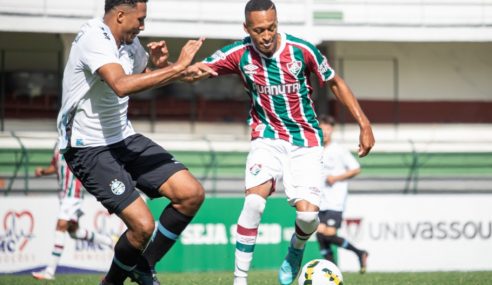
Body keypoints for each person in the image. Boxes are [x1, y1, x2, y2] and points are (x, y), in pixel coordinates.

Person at [184, 1, 375, 284]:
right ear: (246, 28)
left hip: (306, 141)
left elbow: (335, 82)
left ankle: (296, 249)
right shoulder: (238, 54)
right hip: (267, 136)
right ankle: (239, 279)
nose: (266, 35)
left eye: (272, 27)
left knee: (309, 219)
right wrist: (172, 66)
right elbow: (195, 74)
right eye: (259, 30)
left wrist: (364, 123)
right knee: (253, 204)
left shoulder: (302, 50)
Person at [56, 1, 216, 284]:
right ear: (120, 15)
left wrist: (171, 68)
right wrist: (178, 67)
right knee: (142, 226)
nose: (143, 26)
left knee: (190, 194)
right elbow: (121, 85)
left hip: (123, 137)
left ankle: (144, 266)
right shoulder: (94, 37)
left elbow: (144, 78)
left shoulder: (129, 42)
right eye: (140, 20)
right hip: (88, 146)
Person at [31, 145, 114, 281]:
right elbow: (55, 165)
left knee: (61, 226)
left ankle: (50, 271)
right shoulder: (58, 144)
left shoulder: (75, 141)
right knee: (75, 232)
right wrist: (43, 171)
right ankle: (108, 241)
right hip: (64, 196)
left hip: (73, 195)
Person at [315, 115, 368, 274]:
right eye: (321, 129)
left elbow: (356, 168)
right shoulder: (315, 149)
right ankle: (332, 270)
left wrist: (336, 178)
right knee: (320, 234)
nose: (324, 132)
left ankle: (359, 253)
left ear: (332, 130)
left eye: (327, 129)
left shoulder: (339, 149)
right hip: (320, 200)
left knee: (329, 235)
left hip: (335, 201)